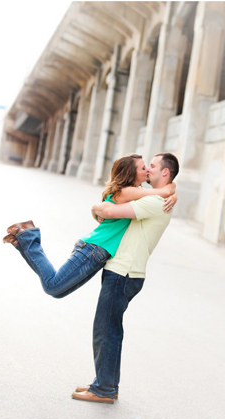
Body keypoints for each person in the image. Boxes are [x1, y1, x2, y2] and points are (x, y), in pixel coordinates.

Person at [72, 152, 179, 404]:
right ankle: (106, 384)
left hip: (124, 272)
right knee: (110, 329)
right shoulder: (161, 197)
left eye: (152, 166)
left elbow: (107, 212)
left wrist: (96, 206)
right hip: (126, 271)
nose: (148, 170)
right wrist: (171, 189)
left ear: (165, 172)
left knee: (106, 330)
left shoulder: (154, 202)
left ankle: (104, 389)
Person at [2, 154, 176, 299]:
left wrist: (173, 191)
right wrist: (172, 190)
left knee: (56, 290)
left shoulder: (132, 193)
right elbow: (164, 192)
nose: (147, 171)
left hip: (97, 251)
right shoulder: (129, 192)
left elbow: (163, 192)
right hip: (94, 249)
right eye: (143, 168)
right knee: (53, 287)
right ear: (131, 173)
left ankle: (21, 241)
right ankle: (27, 236)